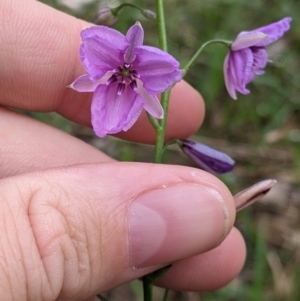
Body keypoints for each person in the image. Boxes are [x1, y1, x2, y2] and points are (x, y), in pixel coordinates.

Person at [0, 0, 246, 300]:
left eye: (129, 73)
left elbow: (167, 68)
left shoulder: (160, 68)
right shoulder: (99, 47)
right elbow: (95, 50)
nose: (126, 74)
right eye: (123, 73)